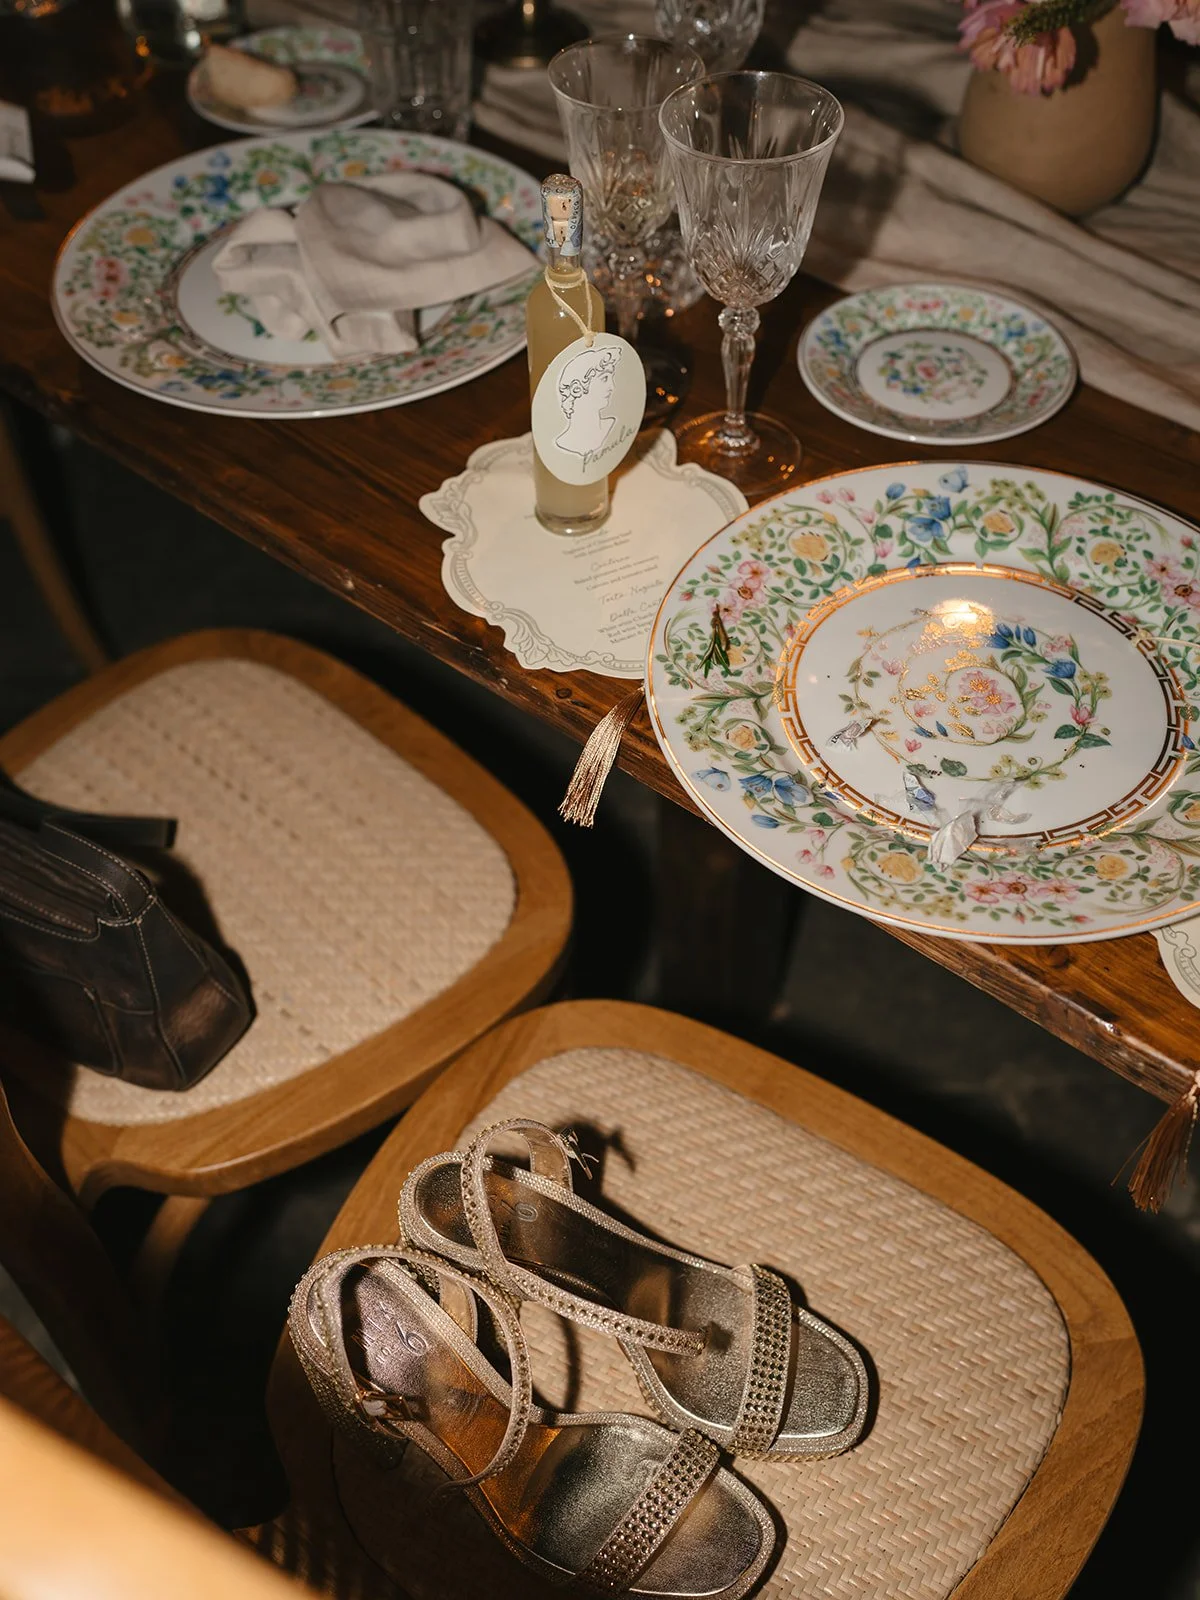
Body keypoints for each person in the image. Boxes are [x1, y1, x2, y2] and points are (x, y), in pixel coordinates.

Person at [555, 345, 620, 459]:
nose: (612, 387)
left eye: (611, 378)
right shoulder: (561, 442)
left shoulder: (612, 426)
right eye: (604, 378)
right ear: (576, 389)